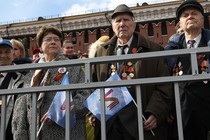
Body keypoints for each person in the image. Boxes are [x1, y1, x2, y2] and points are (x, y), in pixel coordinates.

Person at [89, 4, 173, 140]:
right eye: (118, 21)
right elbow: (93, 84)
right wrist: (93, 112)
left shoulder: (153, 49)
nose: (122, 24)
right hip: (110, 124)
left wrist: (156, 112)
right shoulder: (101, 52)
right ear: (112, 26)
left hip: (140, 122)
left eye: (126, 20)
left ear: (134, 24)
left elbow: (164, 84)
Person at [12, 25, 90, 140]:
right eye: (48, 39)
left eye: (57, 39)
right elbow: (21, 108)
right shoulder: (31, 74)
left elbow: (86, 96)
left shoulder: (74, 67)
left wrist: (58, 112)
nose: (53, 42)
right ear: (40, 46)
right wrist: (20, 135)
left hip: (67, 133)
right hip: (35, 134)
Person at [165, 0, 210, 140]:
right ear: (180, 23)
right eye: (185, 15)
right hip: (180, 114)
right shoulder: (171, 49)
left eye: (194, 13)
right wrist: (167, 108)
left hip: (206, 113)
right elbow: (164, 81)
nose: (190, 16)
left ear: (202, 20)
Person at [0, 38, 28, 140]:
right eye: (0, 52)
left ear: (13, 54)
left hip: (11, 132)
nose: (3, 55)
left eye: (7, 52)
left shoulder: (24, 76)